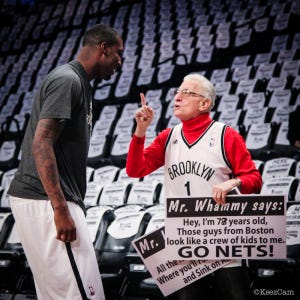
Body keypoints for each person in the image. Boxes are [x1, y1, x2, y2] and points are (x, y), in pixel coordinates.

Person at [8, 23, 123, 300]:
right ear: (103, 49)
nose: (120, 62)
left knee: (57, 294)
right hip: (45, 200)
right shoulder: (68, 80)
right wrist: (60, 209)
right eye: (118, 54)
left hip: (42, 199)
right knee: (82, 294)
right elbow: (41, 143)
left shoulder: (78, 83)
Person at [126, 73, 262, 300]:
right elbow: (135, 170)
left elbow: (254, 180)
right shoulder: (167, 137)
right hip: (184, 241)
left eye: (186, 93)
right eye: (177, 92)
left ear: (205, 103)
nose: (177, 97)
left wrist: (235, 181)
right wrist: (141, 130)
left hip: (223, 240)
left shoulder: (226, 135)